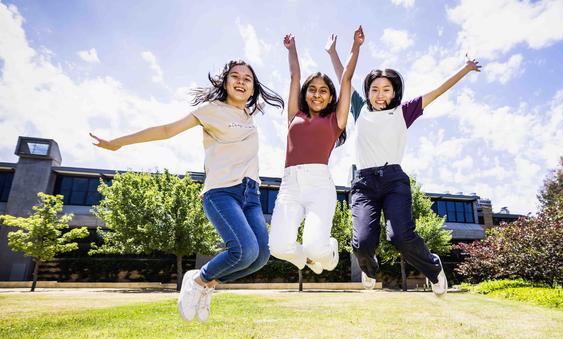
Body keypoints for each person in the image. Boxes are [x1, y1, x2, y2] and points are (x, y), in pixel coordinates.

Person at [90, 60, 284, 320]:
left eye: (247, 79)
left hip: (251, 195)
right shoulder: (211, 110)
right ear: (225, 83)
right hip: (222, 192)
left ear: (252, 88)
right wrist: (118, 142)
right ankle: (198, 281)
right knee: (244, 250)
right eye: (235, 76)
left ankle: (208, 284)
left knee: (260, 257)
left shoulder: (249, 116)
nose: (240, 81)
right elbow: (168, 130)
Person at [327, 43, 481, 294]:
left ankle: (433, 268)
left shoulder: (404, 112)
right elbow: (344, 79)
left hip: (393, 181)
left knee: (400, 236)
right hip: (364, 183)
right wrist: (333, 53)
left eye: (385, 90)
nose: (379, 95)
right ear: (367, 92)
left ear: (394, 92)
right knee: (362, 244)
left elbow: (438, 91)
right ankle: (369, 269)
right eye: (374, 89)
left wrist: (464, 69)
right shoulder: (360, 108)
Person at [269, 28, 364, 274]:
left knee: (315, 246)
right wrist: (292, 50)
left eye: (323, 90)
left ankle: (328, 253)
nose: (317, 94)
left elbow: (346, 80)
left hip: (319, 186)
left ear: (331, 96)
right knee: (278, 247)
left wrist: (355, 47)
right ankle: (308, 261)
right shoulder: (294, 115)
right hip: (289, 186)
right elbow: (294, 76)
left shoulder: (336, 120)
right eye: (312, 89)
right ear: (305, 93)